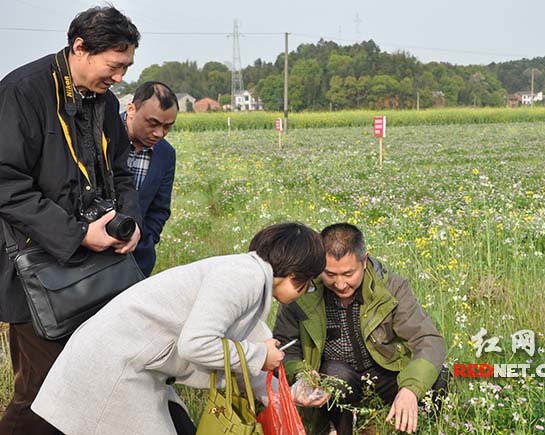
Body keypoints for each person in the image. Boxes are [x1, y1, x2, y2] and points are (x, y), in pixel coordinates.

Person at [31, 222, 326, 435]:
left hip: (133, 367)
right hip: (112, 369)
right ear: (295, 274)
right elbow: (196, 344)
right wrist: (259, 356)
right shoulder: (243, 279)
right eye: (309, 283)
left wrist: (286, 391)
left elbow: (245, 345)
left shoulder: (248, 277)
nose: (307, 290)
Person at [0, 6, 141, 434]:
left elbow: (120, 171)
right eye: (114, 66)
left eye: (126, 67)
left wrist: (129, 221)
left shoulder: (105, 101)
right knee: (41, 395)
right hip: (37, 273)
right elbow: (5, 183)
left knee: (90, 384)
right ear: (80, 48)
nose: (120, 77)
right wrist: (79, 234)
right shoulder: (23, 91)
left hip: (93, 269)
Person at [273, 223, 448, 435]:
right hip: (333, 383)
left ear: (364, 261)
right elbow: (284, 344)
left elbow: (428, 339)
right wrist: (301, 376)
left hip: (385, 375)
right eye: (330, 274)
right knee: (335, 375)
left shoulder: (391, 288)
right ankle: (335, 428)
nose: (340, 284)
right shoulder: (301, 291)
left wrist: (411, 389)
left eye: (348, 274)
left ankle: (423, 428)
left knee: (440, 375)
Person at [123, 81, 178, 277]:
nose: (159, 133)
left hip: (136, 261)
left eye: (167, 127)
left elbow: (160, 208)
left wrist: (146, 240)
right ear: (131, 109)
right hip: (89, 259)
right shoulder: (103, 135)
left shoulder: (166, 153)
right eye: (153, 123)